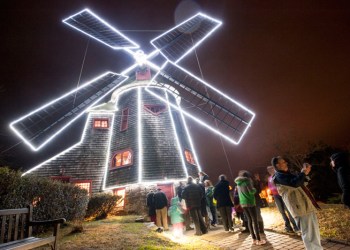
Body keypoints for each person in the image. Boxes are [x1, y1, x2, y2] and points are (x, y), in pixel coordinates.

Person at [272, 156, 322, 250]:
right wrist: (302, 173)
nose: (286, 163)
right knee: (309, 234)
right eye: (283, 162)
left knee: (314, 232)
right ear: (277, 165)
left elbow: (300, 183)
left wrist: (305, 174)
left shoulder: (287, 174)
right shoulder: (279, 176)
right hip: (300, 208)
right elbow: (294, 184)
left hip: (306, 205)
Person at [235, 170, 266, 246]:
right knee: (254, 220)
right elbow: (251, 191)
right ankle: (259, 239)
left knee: (249, 220)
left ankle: (254, 239)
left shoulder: (238, 184)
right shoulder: (247, 182)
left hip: (243, 203)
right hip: (250, 202)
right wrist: (254, 189)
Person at [267, 165, 299, 233]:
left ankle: (295, 226)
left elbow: (281, 185)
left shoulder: (278, 176)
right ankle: (288, 227)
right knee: (282, 211)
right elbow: (270, 187)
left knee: (288, 210)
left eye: (272, 169)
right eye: (269, 170)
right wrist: (273, 189)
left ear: (274, 169)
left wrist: (275, 187)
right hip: (276, 196)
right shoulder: (269, 178)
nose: (271, 171)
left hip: (282, 195)